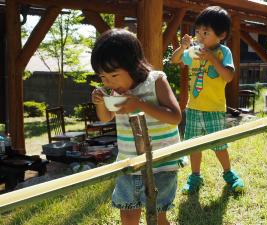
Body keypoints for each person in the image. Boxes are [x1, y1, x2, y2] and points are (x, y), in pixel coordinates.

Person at [91, 28, 183, 225]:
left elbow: (175, 117)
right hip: (128, 164)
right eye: (103, 78)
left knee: (157, 217)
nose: (109, 83)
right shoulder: (117, 92)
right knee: (127, 215)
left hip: (161, 165)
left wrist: (140, 104)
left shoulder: (156, 81)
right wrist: (100, 103)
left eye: (114, 75)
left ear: (133, 65)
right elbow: (106, 117)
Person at [171, 6, 245, 195]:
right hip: (194, 108)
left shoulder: (223, 52)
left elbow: (228, 76)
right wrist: (183, 47)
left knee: (219, 145)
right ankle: (195, 177)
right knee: (194, 145)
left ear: (221, 35)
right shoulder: (195, 51)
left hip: (214, 109)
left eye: (205, 32)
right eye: (198, 32)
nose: (200, 36)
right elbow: (174, 60)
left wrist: (212, 59)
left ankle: (229, 174)